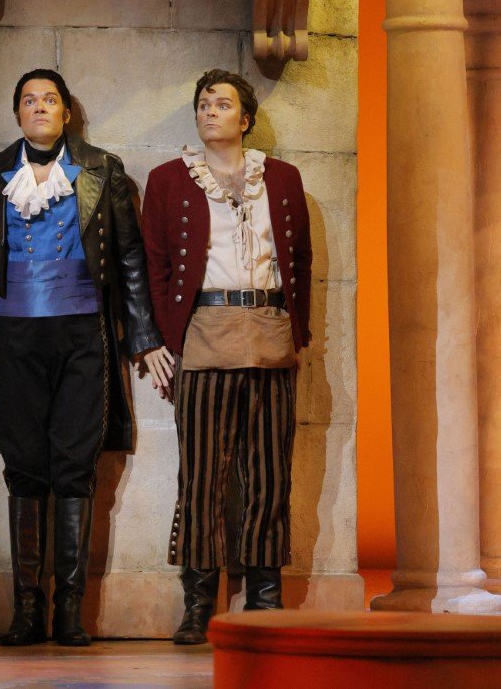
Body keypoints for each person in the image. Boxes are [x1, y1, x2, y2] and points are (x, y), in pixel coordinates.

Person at [0, 69, 171, 647]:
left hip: (83, 335)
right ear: (18, 115)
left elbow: (131, 259)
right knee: (24, 467)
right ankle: (26, 610)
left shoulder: (101, 170)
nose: (40, 108)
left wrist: (144, 337)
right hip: (14, 337)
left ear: (67, 113)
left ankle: (69, 612)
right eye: (29, 101)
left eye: (51, 100)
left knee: (75, 467)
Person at [139, 68, 312, 645]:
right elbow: (155, 265)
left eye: (222, 103)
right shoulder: (168, 181)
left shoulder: (282, 179)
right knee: (203, 477)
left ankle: (264, 594)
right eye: (203, 103)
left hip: (268, 329)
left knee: (267, 471)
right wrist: (168, 339)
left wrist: (298, 333)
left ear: (245, 118)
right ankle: (198, 601)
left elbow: (301, 261)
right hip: (204, 332)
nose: (210, 111)